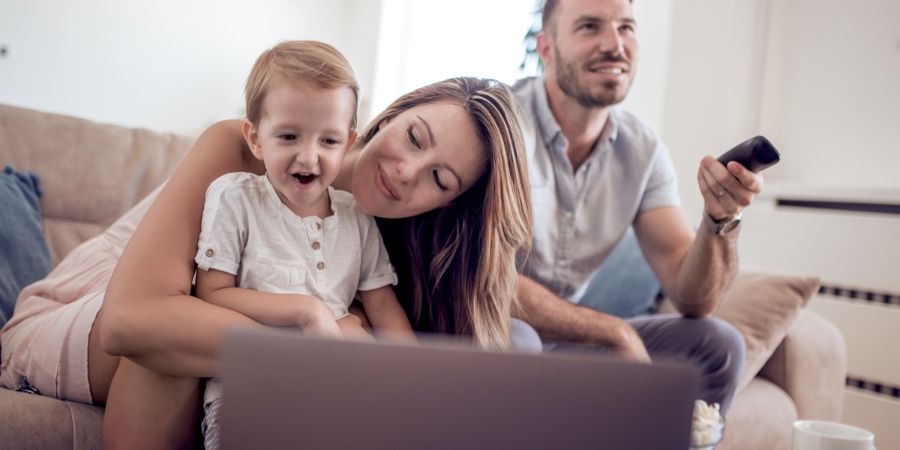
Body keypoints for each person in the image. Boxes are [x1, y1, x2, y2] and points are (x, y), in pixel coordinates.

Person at [0, 65, 533, 448]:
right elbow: (130, 323)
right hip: (79, 313)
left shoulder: (374, 236)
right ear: (391, 115)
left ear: (448, 205)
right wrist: (316, 324)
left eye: (439, 179)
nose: (405, 173)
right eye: (414, 138)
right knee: (181, 326)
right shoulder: (243, 148)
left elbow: (467, 321)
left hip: (201, 345)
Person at [511, 0, 763, 414]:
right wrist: (613, 332)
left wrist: (721, 219)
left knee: (719, 344)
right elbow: (481, 279)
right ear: (546, 48)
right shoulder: (502, 123)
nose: (615, 45)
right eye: (590, 27)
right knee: (517, 341)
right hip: (487, 328)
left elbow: (693, 298)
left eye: (626, 28)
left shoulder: (642, 150)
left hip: (564, 345)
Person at [190, 41, 417, 450]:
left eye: (328, 141)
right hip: (250, 393)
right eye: (289, 136)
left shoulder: (357, 217)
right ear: (256, 138)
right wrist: (306, 311)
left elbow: (383, 307)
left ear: (348, 144)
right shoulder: (235, 197)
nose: (309, 157)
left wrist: (419, 378)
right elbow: (211, 293)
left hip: (338, 392)